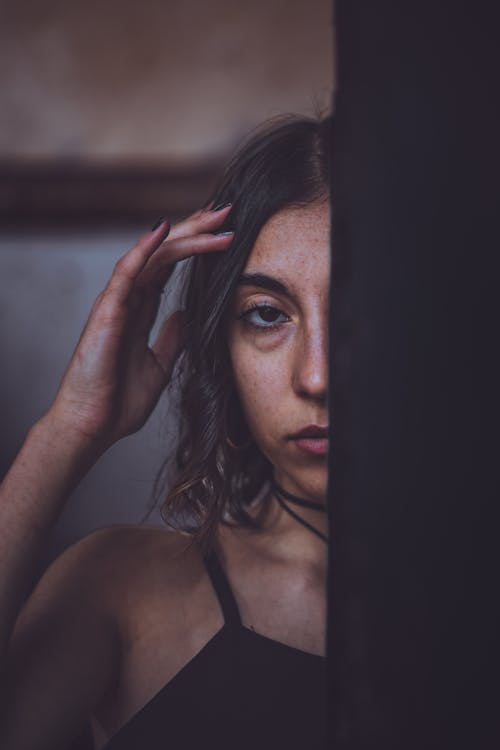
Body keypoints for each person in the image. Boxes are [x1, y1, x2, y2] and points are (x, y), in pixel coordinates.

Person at [0, 114, 331, 750]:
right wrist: (70, 428)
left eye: (356, 315)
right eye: (266, 314)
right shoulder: (120, 589)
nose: (315, 377)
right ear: (221, 351)